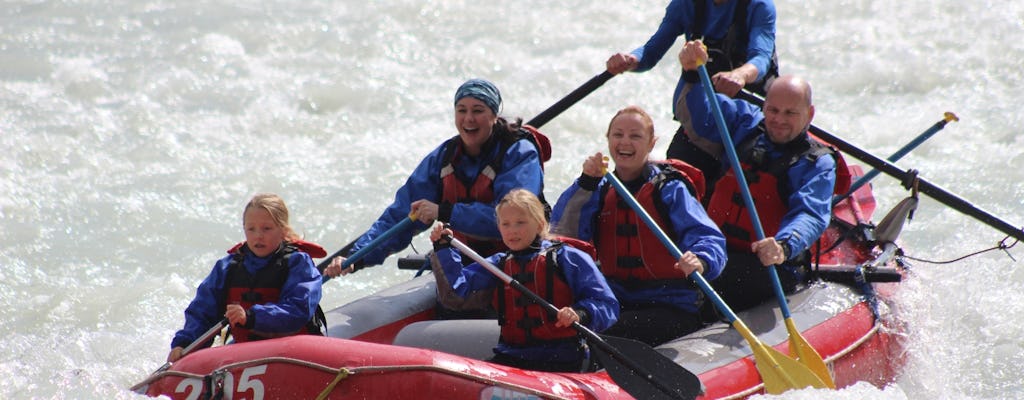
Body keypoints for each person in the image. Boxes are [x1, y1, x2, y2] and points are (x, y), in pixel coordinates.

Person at [323, 78, 548, 278]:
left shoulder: (519, 153)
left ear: (494, 116)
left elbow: (513, 218)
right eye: (461, 110)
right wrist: (356, 258)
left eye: (478, 110)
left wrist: (443, 212)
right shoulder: (444, 158)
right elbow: (400, 216)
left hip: (519, 259)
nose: (468, 119)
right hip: (467, 261)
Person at [677, 40, 841, 312]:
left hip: (767, 264)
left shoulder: (816, 163)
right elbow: (699, 114)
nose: (778, 119)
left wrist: (783, 245)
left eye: (790, 113)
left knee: (727, 283)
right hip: (715, 249)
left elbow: (811, 214)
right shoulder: (746, 122)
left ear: (809, 115)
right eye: (773, 110)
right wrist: (691, 73)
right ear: (764, 106)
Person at [550, 105, 727, 346]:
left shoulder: (669, 189)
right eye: (618, 134)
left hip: (670, 304)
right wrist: (585, 183)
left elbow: (708, 237)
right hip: (616, 299)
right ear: (608, 140)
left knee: (599, 335)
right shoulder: (598, 189)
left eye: (635, 136)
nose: (625, 142)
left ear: (651, 144)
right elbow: (562, 233)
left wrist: (701, 259)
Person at [429, 189, 619, 372]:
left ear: (539, 224)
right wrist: (444, 249)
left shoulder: (568, 258)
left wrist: (580, 313)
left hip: (563, 357)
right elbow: (456, 294)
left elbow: (607, 304)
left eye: (520, 223)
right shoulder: (498, 264)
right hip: (512, 355)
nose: (512, 231)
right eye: (506, 224)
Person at [606, 0, 780, 196]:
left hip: (745, 121)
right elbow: (651, 51)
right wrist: (631, 60)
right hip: (701, 115)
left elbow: (761, 56)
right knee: (672, 181)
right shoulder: (685, 4)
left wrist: (741, 75)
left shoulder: (759, 6)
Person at [168, 193, 326, 362]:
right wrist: (185, 344)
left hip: (293, 353)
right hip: (247, 353)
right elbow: (203, 312)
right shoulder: (227, 267)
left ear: (283, 231)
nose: (258, 235)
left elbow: (298, 310)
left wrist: (251, 317)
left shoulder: (299, 264)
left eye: (266, 228)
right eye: (251, 229)